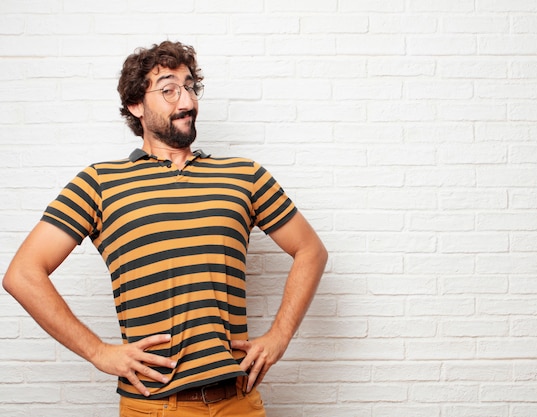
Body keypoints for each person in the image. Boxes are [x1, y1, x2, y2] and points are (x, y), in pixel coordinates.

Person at [2, 40, 327, 416]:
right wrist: (99, 352)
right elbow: (23, 274)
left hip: (240, 403)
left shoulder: (244, 176)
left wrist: (279, 337)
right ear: (135, 105)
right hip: (154, 408)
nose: (186, 101)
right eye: (169, 89)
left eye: (190, 87)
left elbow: (311, 250)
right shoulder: (100, 183)